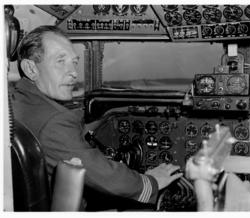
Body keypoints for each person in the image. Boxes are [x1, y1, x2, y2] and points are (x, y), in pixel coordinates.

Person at [11, 25, 182, 208]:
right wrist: (151, 182)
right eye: (61, 61)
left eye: (74, 62)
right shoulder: (54, 123)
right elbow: (110, 179)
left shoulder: (14, 101)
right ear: (30, 68)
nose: (74, 73)